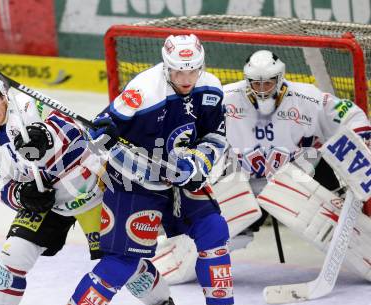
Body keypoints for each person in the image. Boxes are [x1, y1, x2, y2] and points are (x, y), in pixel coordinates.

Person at [0, 67, 177, 305]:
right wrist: (22, 194)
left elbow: (75, 131)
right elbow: (1, 186)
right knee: (13, 254)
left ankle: (162, 304)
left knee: (119, 261)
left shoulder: (30, 105)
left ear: (3, 95)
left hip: (88, 190)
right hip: (49, 202)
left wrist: (43, 137)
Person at [63, 34, 242, 305]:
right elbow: (96, 135)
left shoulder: (210, 89)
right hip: (134, 182)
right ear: (166, 66)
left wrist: (197, 164)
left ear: (202, 65)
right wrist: (102, 136)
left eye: (192, 70)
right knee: (121, 262)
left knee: (213, 229)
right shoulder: (143, 91)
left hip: (181, 179)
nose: (186, 78)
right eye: (178, 71)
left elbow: (215, 137)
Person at [152, 49, 371, 284]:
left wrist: (362, 140)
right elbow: (185, 121)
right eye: (256, 83)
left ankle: (359, 246)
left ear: (281, 79)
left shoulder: (309, 99)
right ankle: (181, 256)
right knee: (224, 221)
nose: (263, 89)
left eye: (269, 83)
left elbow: (350, 115)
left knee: (325, 217)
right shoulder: (225, 98)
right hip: (241, 184)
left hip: (299, 179)